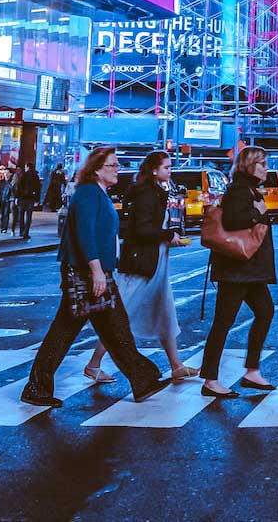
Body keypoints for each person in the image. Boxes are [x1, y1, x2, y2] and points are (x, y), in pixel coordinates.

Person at [19, 147, 166, 408]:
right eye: (113, 165)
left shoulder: (98, 193)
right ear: (98, 169)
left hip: (95, 272)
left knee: (114, 328)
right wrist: (97, 270)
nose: (117, 169)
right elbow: (85, 233)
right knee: (74, 330)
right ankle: (37, 386)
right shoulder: (88, 193)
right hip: (87, 273)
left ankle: (142, 379)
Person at [84, 151, 197, 383]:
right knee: (120, 316)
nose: (170, 171)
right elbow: (141, 229)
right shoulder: (147, 193)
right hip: (141, 264)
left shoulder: (154, 191)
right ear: (154, 170)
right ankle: (93, 364)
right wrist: (168, 235)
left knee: (165, 313)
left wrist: (168, 238)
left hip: (155, 262)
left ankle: (176, 365)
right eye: (166, 167)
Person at [201, 146, 278, 398]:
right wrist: (259, 214)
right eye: (262, 164)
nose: (266, 168)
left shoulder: (247, 190)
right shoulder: (238, 190)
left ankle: (252, 371)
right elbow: (234, 221)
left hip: (248, 269)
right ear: (249, 166)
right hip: (236, 269)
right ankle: (211, 379)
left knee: (265, 311)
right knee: (224, 321)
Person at [16, 163, 42, 240]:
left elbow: (19, 186)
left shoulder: (23, 175)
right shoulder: (36, 176)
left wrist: (17, 197)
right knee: (28, 216)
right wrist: (37, 200)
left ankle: (21, 231)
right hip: (31, 199)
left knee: (21, 215)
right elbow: (38, 189)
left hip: (22, 198)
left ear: (27, 167)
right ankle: (26, 232)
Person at [0, 168, 16, 234]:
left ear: (11, 174)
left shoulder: (12, 182)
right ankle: (2, 227)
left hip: (8, 200)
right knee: (2, 214)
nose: (6, 174)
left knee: (6, 214)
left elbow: (14, 190)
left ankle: (4, 228)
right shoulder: (1, 182)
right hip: (2, 199)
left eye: (7, 173)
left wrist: (9, 182)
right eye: (5, 173)